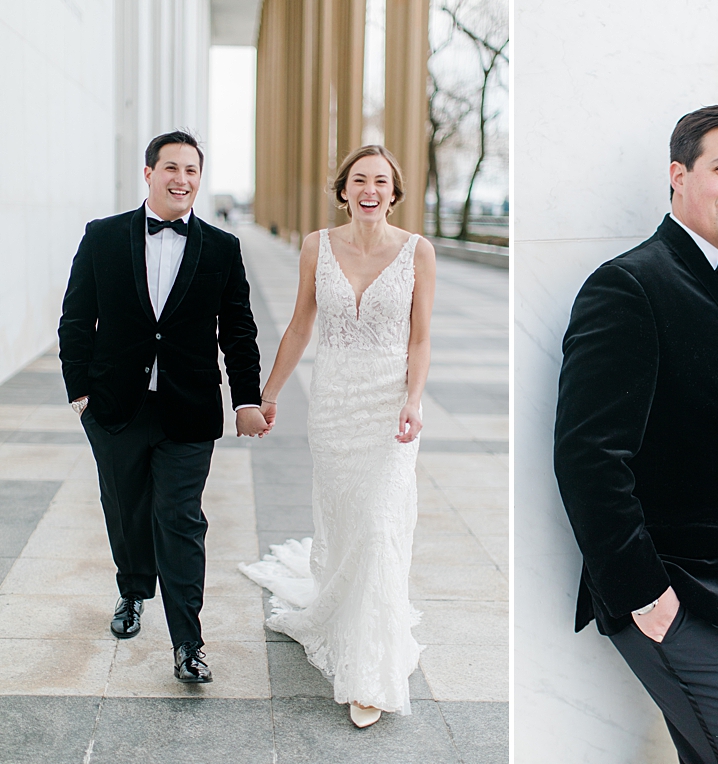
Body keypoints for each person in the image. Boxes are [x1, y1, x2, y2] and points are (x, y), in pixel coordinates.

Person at [553, 104, 718, 763]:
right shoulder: (630, 285)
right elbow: (588, 455)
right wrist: (648, 598)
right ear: (678, 175)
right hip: (679, 597)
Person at [58, 130, 268, 683]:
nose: (182, 179)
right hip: (115, 406)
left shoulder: (222, 247)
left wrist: (247, 398)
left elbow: (239, 331)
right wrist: (79, 393)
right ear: (148, 173)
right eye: (171, 168)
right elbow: (76, 318)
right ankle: (132, 591)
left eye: (192, 170)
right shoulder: (102, 237)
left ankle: (188, 644)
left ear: (200, 178)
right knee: (126, 509)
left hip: (188, 409)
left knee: (179, 520)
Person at [239, 145, 436, 728]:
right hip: (332, 408)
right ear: (344, 190)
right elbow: (301, 324)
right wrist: (267, 394)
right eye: (359, 179)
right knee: (348, 522)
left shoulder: (417, 252)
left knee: (378, 527)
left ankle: (369, 673)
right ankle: (343, 606)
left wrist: (413, 399)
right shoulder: (316, 247)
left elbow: (420, 338)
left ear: (393, 192)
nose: (369, 189)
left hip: (388, 409)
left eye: (380, 180)